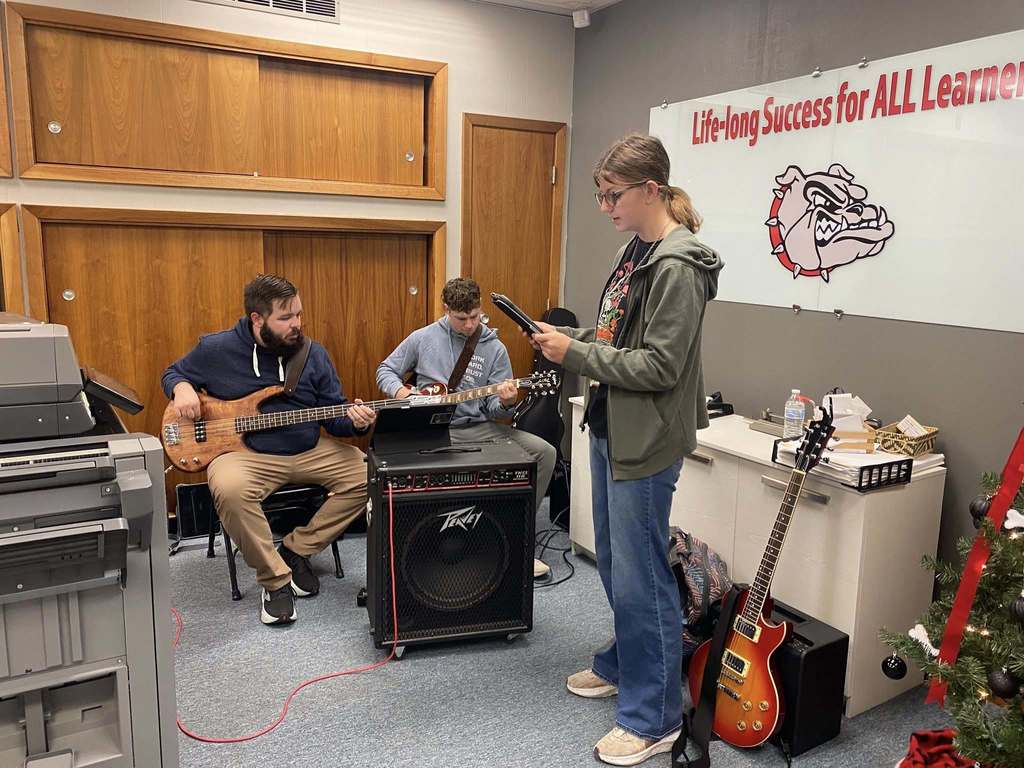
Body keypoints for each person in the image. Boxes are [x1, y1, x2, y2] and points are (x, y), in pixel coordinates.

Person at [528, 134, 723, 766]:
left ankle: (655, 716)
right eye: (600, 195)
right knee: (616, 563)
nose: (606, 206)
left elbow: (660, 365)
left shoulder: (678, 266)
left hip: (648, 437)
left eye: (614, 195)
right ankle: (626, 664)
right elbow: (619, 337)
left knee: (642, 576)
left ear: (651, 190)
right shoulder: (634, 250)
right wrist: (572, 338)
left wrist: (576, 355)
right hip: (614, 425)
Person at [162, 275, 376, 626]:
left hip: (306, 448)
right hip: (243, 455)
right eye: (285, 317)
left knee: (370, 474)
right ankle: (275, 581)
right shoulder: (217, 349)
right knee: (229, 489)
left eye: (299, 314)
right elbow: (173, 372)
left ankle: (296, 549)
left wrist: (357, 422)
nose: (296, 324)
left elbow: (334, 418)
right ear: (257, 319)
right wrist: (181, 387)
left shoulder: (313, 354)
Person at [376, 277, 557, 579]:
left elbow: (493, 410)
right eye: (461, 319)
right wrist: (402, 393)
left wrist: (507, 402)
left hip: (477, 427)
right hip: (430, 428)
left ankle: (517, 542)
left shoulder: (494, 348)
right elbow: (385, 370)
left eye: (474, 316)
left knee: (544, 453)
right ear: (446, 309)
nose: (470, 324)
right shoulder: (423, 338)